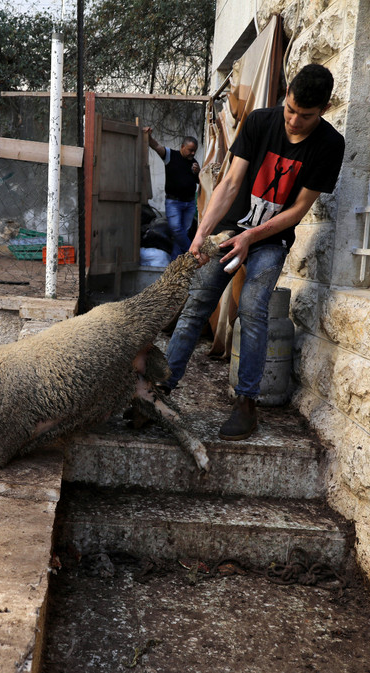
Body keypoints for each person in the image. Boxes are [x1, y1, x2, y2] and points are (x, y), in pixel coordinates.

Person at [162, 64, 345, 441]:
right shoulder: (261, 121)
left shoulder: (330, 145)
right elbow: (229, 183)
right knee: (197, 303)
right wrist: (201, 234)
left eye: (305, 116)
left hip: (271, 240)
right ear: (286, 96)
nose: (293, 120)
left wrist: (252, 238)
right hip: (230, 230)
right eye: (290, 109)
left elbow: (298, 210)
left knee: (253, 309)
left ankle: (246, 403)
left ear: (323, 110)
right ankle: (161, 390)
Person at [144, 128, 200, 259]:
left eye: (194, 151)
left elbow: (198, 181)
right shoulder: (170, 155)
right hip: (174, 202)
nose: (193, 153)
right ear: (182, 147)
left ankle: (174, 264)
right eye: (190, 150)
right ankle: (191, 253)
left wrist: (198, 173)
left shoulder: (193, 163)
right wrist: (148, 136)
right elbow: (156, 147)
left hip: (189, 203)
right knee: (176, 229)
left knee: (181, 234)